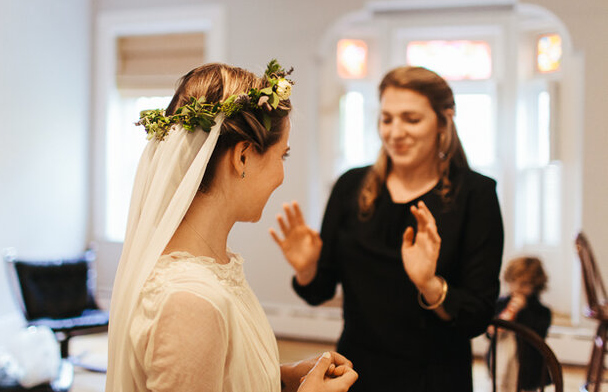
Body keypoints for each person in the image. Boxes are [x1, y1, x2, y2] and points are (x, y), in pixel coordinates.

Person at [105, 61, 358, 392]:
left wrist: (280, 378)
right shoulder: (190, 302)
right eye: (282, 156)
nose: (282, 176)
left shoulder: (213, 270)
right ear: (242, 157)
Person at [270, 66, 504, 392]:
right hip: (355, 373)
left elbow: (477, 316)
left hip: (435, 378)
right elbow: (320, 290)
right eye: (387, 118)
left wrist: (429, 284)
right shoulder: (350, 186)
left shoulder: (476, 196)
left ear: (443, 121)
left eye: (411, 119)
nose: (395, 132)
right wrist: (308, 269)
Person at [489, 256, 552, 391]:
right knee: (501, 386)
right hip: (501, 360)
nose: (517, 288)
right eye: (513, 282)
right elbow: (490, 332)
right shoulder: (500, 304)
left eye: (524, 284)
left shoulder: (541, 311)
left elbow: (538, 334)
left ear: (535, 285)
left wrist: (521, 311)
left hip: (528, 366)